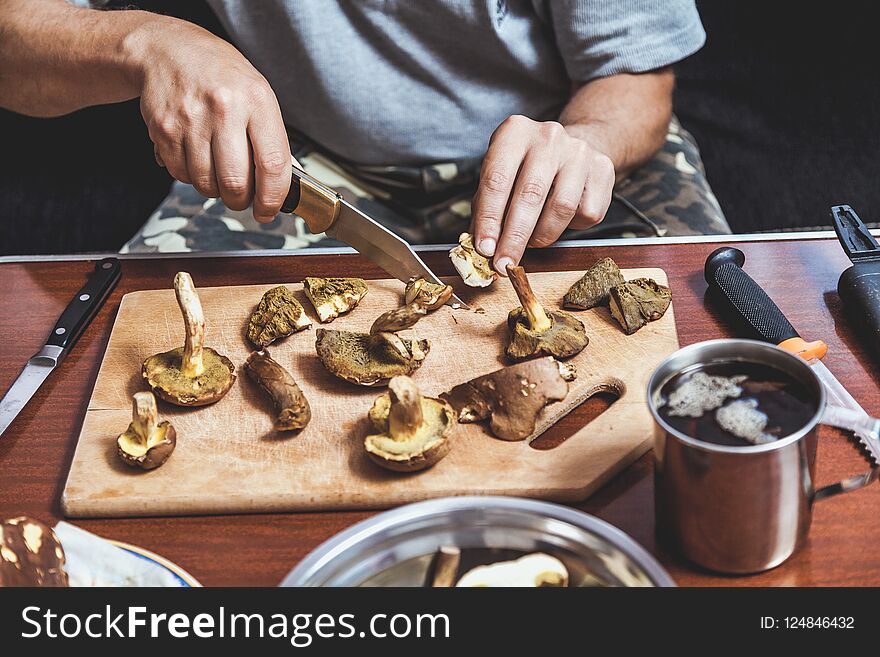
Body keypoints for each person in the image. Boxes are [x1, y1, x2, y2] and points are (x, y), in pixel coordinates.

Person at [0, 0, 729, 267]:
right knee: (149, 350)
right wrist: (147, 42)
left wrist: (588, 142)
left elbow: (637, 79)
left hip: (561, 146)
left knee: (699, 356)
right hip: (302, 164)